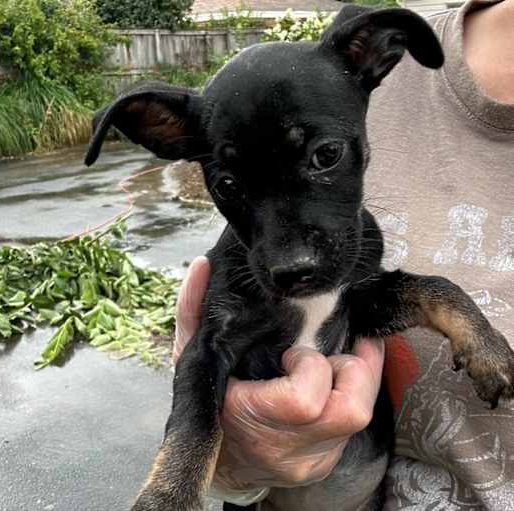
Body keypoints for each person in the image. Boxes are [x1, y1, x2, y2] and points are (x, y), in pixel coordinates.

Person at [174, 0, 514, 508]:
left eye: (324, 156)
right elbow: (206, 370)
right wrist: (232, 468)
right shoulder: (394, 80)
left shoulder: (344, 77)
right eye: (229, 184)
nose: (291, 258)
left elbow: (382, 300)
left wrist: (464, 321)